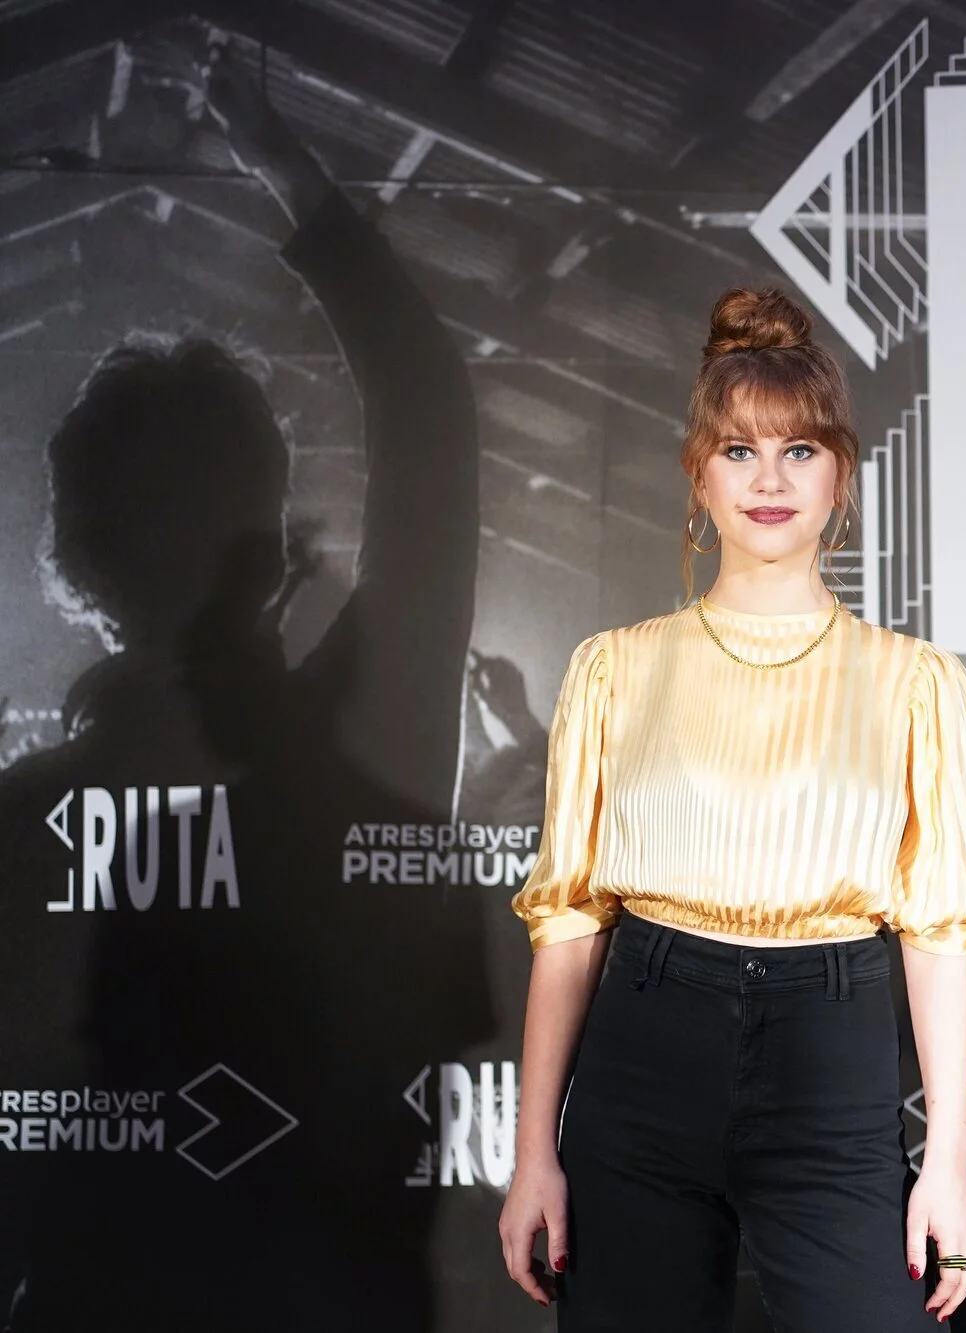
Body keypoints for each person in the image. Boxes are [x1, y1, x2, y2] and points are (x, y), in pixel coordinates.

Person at [0, 41, 486, 1333]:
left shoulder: (19, 830)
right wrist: (289, 172)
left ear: (73, 556)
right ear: (272, 551)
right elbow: (430, 425)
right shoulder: (370, 739)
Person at [497, 287, 966, 1330]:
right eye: (739, 451)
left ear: (840, 476)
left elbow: (938, 936)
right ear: (699, 475)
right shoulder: (613, 670)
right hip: (643, 1060)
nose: (769, 480)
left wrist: (948, 1164)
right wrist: (532, 1151)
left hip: (831, 1062)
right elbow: (569, 925)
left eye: (799, 450)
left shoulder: (915, 684)